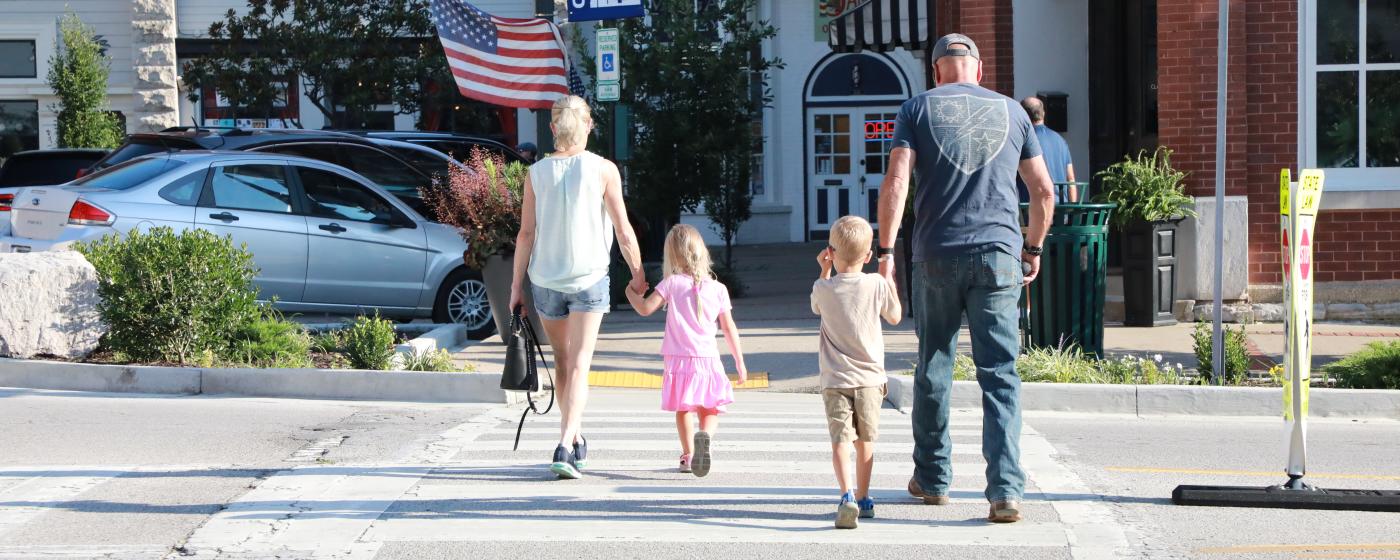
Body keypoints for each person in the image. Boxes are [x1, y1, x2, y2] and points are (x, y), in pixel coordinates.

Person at [875, 33, 1056, 523]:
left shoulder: (916, 110)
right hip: (999, 254)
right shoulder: (1014, 113)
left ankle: (933, 479)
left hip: (935, 253)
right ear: (978, 69)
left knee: (934, 363)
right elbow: (1043, 190)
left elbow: (896, 181)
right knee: (999, 373)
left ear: (936, 71)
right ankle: (1005, 491)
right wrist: (1032, 246)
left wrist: (887, 250)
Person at [510, 95, 646, 480]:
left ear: (553, 129)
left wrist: (515, 286)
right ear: (588, 126)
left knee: (564, 362)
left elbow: (526, 234)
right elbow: (623, 229)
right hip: (589, 278)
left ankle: (575, 438)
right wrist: (637, 274)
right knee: (582, 362)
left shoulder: (535, 173)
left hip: (546, 280)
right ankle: (566, 443)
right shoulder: (604, 170)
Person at [624, 224, 748, 477]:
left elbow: (646, 308)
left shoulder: (671, 283)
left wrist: (630, 292)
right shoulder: (718, 289)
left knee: (683, 408)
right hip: (708, 359)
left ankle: (688, 453)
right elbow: (729, 328)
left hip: (679, 360)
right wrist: (739, 361)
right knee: (710, 408)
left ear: (671, 254)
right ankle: (705, 438)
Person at [811, 215, 901, 530]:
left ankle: (845, 494)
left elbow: (815, 307)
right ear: (867, 256)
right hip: (871, 381)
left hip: (835, 381)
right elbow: (895, 316)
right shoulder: (876, 284)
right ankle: (864, 497)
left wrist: (824, 269)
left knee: (840, 439)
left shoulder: (823, 287)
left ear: (830, 252)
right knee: (866, 440)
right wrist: (887, 277)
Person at [1015, 96, 1076, 203]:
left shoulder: (1023, 139)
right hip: (1061, 211)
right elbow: (1070, 179)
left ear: (1023, 115)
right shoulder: (1061, 140)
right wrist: (1072, 212)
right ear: (1043, 113)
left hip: (1032, 211)